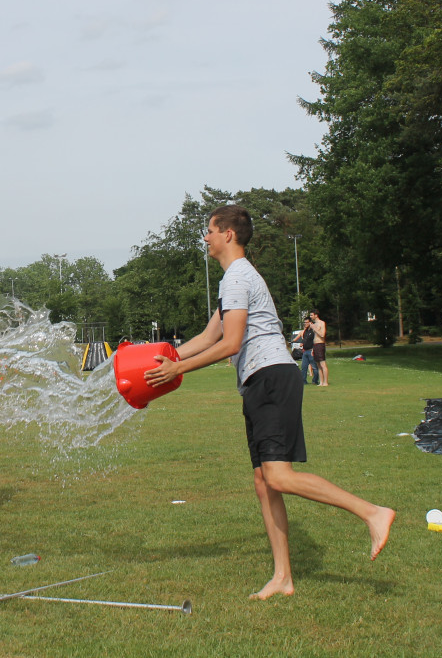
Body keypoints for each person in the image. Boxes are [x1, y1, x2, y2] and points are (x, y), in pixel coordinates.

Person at [143, 205, 393, 600]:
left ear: (228, 234)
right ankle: (283, 578)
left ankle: (373, 513)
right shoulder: (234, 280)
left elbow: (231, 343)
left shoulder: (238, 277)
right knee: (264, 483)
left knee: (278, 476)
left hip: (272, 378)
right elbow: (209, 337)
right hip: (260, 381)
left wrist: (179, 371)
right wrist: (160, 357)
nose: (205, 238)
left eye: (209, 230)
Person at [298, 317, 320, 385]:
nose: (305, 324)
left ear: (310, 322)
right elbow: (304, 339)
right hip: (305, 351)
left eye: (306, 322)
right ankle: (303, 381)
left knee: (314, 367)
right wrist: (302, 343)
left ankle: (315, 380)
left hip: (311, 351)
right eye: (304, 322)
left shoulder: (313, 331)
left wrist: (313, 349)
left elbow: (315, 340)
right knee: (304, 367)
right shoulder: (306, 331)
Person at [310, 308, 329, 386]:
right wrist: (312, 349)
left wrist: (314, 328)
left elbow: (322, 334)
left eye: (311, 315)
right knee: (318, 365)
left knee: (322, 364)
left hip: (320, 344)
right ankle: (321, 382)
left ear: (316, 315)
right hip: (315, 345)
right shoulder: (314, 324)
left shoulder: (321, 323)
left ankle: (325, 382)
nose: (310, 316)